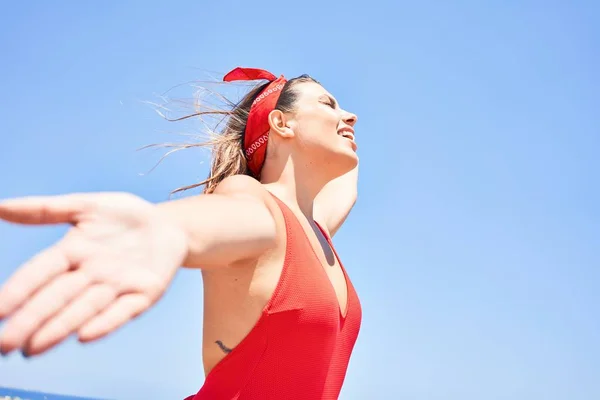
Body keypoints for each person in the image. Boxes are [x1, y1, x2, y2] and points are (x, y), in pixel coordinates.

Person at [0, 66, 362, 399]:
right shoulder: (254, 203)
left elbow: (347, 185)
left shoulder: (316, 228)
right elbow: (222, 217)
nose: (350, 115)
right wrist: (165, 226)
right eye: (328, 104)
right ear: (282, 123)